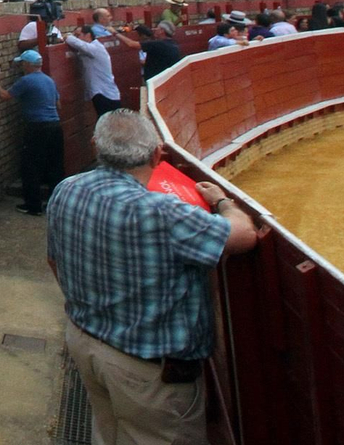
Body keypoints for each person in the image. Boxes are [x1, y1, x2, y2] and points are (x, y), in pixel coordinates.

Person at [48, 111, 258, 445]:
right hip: (147, 372)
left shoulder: (66, 189)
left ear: (94, 146)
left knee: (107, 433)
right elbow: (245, 235)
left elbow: (53, 261)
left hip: (86, 343)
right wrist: (222, 202)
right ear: (157, 155)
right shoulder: (163, 212)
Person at [0, 50, 62, 216]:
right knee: (54, 166)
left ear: (28, 65)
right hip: (55, 126)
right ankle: (55, 205)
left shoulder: (26, 81)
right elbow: (59, 104)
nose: (21, 66)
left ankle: (33, 206)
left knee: (31, 166)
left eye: (22, 63)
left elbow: (5, 96)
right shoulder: (49, 80)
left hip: (37, 127)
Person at [65, 25, 120, 115]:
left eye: (78, 35)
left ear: (88, 35)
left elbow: (79, 44)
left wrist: (68, 37)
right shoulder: (94, 47)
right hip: (104, 91)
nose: (77, 38)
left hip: (104, 93)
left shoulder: (95, 47)